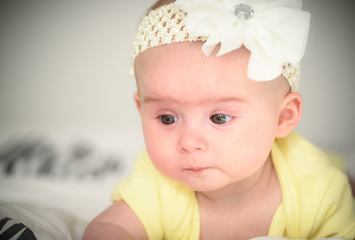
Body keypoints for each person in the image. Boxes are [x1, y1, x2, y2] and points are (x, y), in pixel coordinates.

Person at [83, 0, 355, 239]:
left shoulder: (318, 187)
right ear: (140, 108)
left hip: (321, 169)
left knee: (345, 183)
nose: (189, 142)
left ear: (283, 117)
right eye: (167, 118)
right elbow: (110, 226)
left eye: (219, 117)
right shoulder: (159, 182)